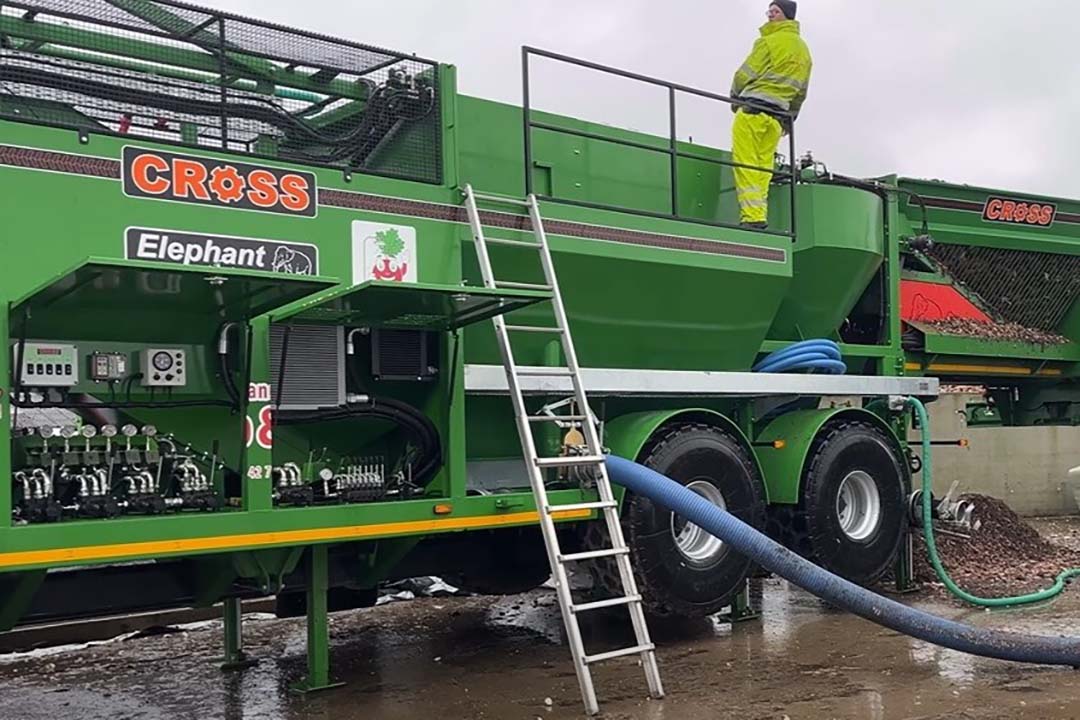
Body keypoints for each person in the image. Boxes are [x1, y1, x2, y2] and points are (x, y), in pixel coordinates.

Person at [730, 0, 812, 229]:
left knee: (746, 163)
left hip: (752, 112)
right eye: (769, 11)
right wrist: (791, 116)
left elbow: (744, 74)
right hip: (777, 118)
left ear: (787, 15)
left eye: (775, 11)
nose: (770, 15)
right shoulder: (803, 51)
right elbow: (801, 91)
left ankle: (753, 217)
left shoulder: (767, 42)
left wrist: (734, 97)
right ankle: (759, 214)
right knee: (764, 168)